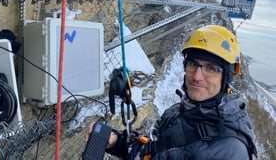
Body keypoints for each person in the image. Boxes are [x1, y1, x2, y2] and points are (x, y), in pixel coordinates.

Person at [85, 25, 257, 160]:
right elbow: (152, 152)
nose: (197, 76)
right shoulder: (177, 112)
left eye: (211, 68)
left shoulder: (229, 151)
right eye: (193, 64)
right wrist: (117, 142)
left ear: (225, 78)